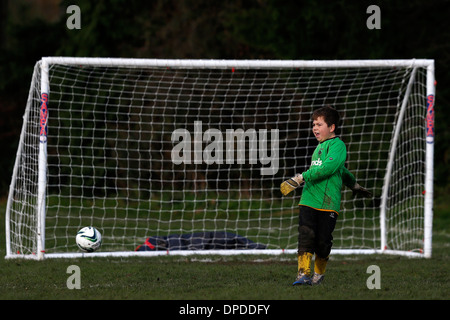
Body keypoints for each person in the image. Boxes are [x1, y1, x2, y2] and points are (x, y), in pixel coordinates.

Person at [280, 106, 371, 286]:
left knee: (322, 242)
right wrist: (303, 179)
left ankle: (318, 274)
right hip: (309, 199)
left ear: (331, 127)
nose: (314, 128)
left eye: (319, 124)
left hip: (329, 203)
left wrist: (354, 185)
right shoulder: (318, 148)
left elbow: (334, 170)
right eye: (313, 124)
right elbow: (330, 170)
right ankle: (303, 274)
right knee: (305, 235)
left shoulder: (338, 145)